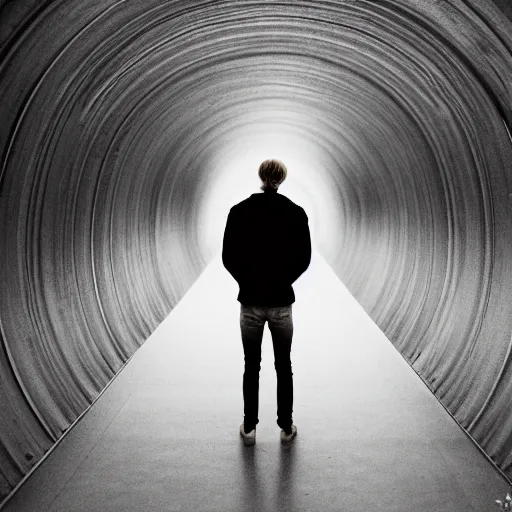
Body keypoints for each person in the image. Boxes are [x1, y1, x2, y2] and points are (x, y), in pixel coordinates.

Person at [222, 159, 312, 446]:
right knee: (283, 365)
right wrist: (283, 281)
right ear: (282, 179)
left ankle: (249, 427)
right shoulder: (296, 213)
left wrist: (246, 282)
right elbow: (304, 258)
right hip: (281, 303)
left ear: (260, 177)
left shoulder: (239, 212)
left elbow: (228, 257)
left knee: (252, 364)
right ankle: (286, 427)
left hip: (250, 302)